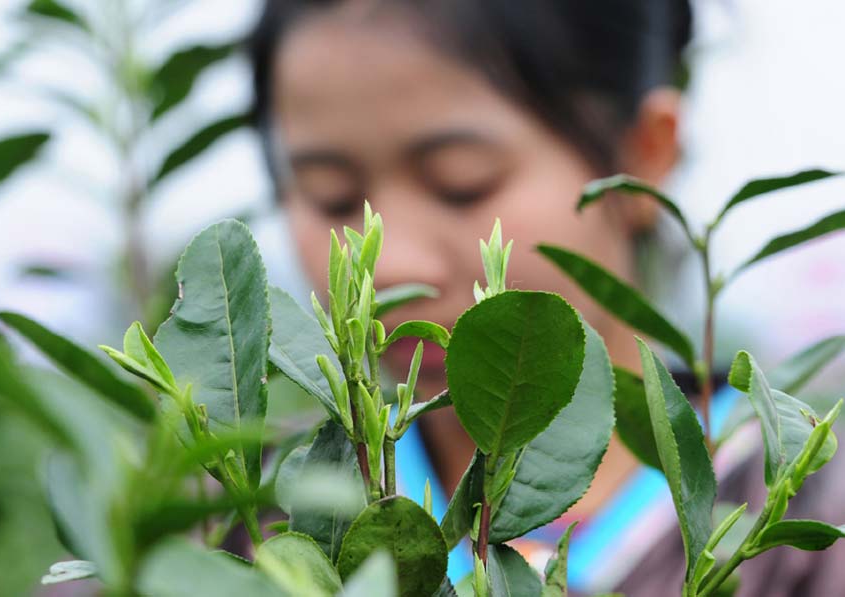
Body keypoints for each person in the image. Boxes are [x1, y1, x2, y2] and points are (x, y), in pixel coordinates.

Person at [248, 1, 845, 594]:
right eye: (331, 196)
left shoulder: (802, 538)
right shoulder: (266, 516)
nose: (393, 263)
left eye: (461, 182)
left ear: (642, 157)